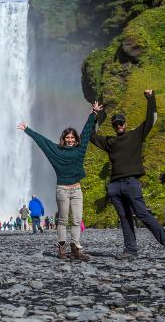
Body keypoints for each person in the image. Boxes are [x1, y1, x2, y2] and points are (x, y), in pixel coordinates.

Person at [90, 90, 165, 259]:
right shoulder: (110, 142)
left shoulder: (136, 135)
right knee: (124, 218)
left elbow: (152, 120)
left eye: (120, 123)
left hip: (131, 183)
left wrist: (151, 98)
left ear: (126, 124)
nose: (118, 126)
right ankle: (130, 250)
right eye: (115, 124)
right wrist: (98, 115)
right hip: (115, 186)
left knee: (143, 214)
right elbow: (92, 136)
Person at [19, 102, 100, 260]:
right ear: (63, 139)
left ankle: (76, 248)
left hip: (77, 190)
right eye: (67, 137)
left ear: (76, 139)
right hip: (62, 190)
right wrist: (27, 130)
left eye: (72, 137)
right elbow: (43, 142)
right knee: (62, 220)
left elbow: (86, 131)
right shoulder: (56, 150)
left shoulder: (80, 149)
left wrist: (94, 115)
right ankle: (62, 248)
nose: (70, 140)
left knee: (76, 220)